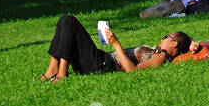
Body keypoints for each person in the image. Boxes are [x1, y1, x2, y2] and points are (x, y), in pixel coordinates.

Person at [38, 17, 192, 80]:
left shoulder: (161, 56)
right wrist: (192, 43)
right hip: (100, 60)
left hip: (103, 65)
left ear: (174, 44)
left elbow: (133, 71)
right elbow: (189, 42)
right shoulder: (157, 51)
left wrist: (116, 43)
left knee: (69, 21)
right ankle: (53, 68)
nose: (162, 38)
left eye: (167, 36)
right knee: (63, 22)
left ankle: (61, 73)